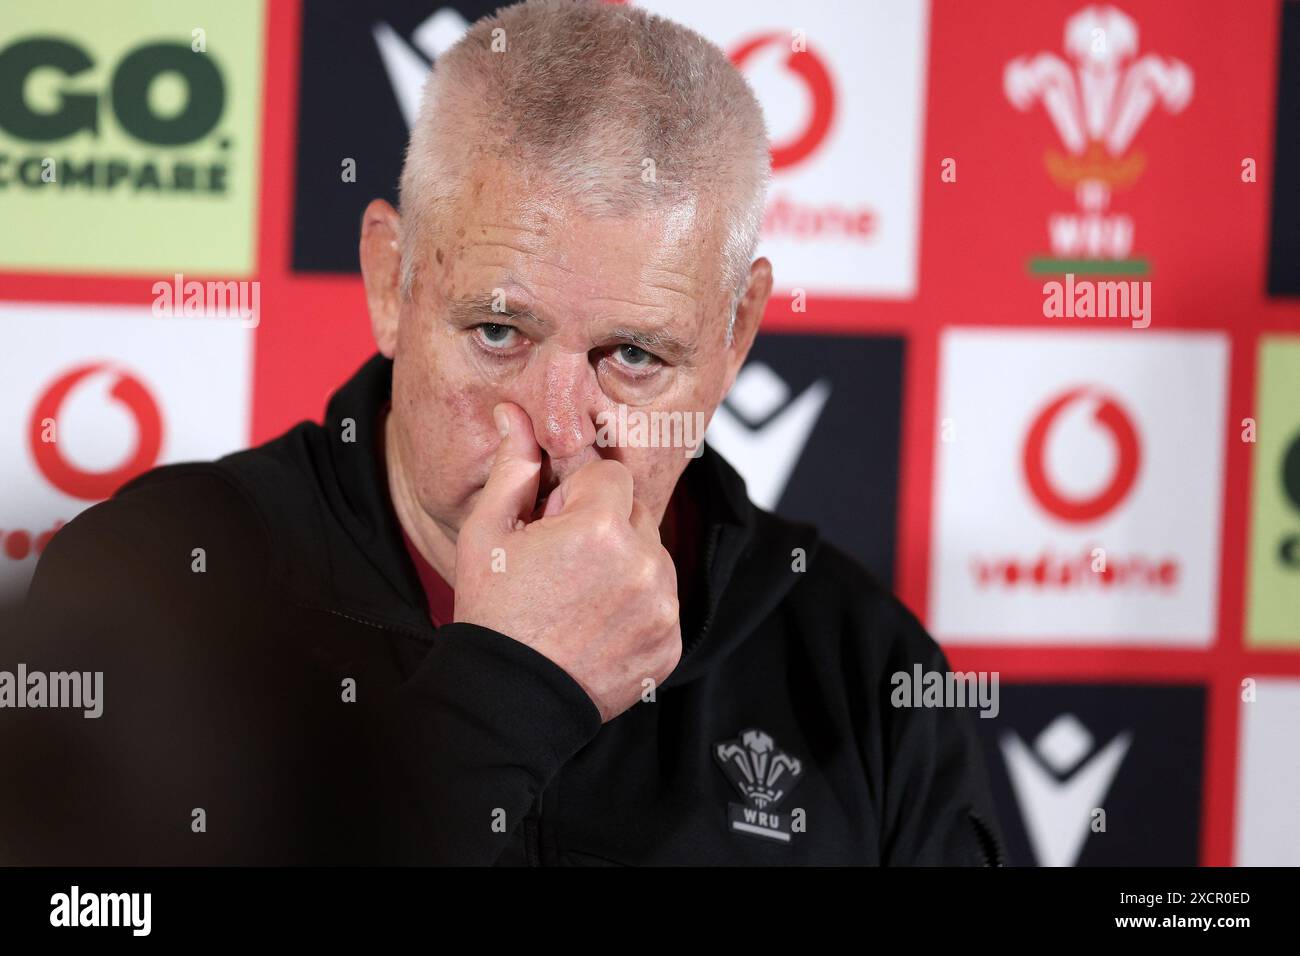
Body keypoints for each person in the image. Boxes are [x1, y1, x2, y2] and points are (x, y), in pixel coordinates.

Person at [1, 0, 1002, 865]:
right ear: (391, 282)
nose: (561, 431)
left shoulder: (860, 667)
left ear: (735, 332)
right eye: (496, 332)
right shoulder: (157, 584)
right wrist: (508, 691)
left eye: (633, 358)